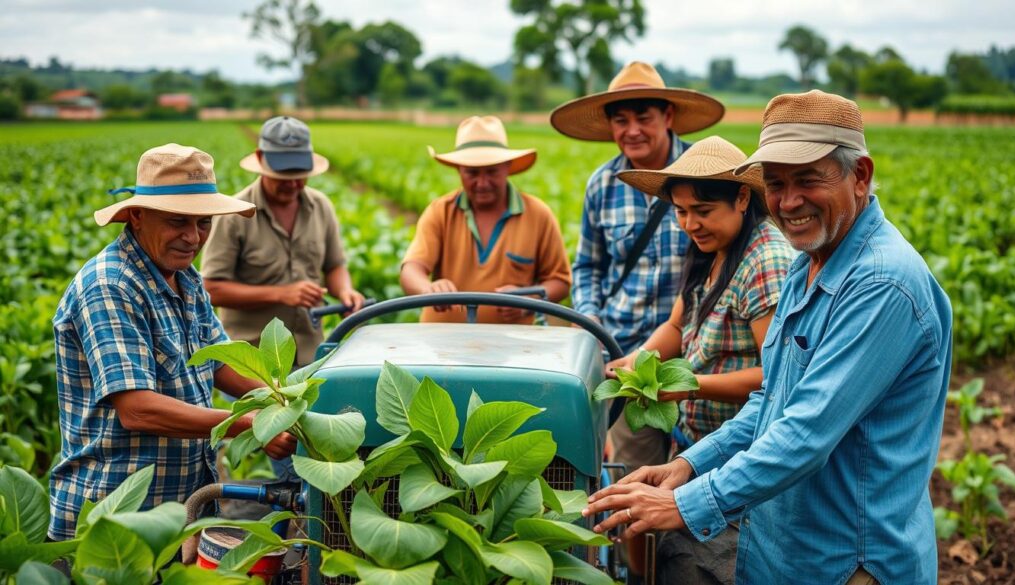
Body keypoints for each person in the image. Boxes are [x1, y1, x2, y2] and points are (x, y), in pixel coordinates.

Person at [583, 91, 953, 585]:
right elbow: (772, 399)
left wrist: (686, 502)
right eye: (775, 184)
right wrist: (689, 465)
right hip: (786, 548)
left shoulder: (881, 282)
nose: (789, 201)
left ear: (859, 176)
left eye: (808, 180)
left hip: (847, 559)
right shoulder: (808, 266)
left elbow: (806, 433)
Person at [50, 144, 297, 541]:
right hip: (116, 516)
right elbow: (138, 410)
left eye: (203, 223)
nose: (193, 237)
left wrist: (285, 400)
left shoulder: (184, 277)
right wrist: (247, 424)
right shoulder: (111, 285)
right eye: (177, 221)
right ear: (137, 216)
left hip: (182, 507)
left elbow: (218, 363)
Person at [552, 59, 725, 581]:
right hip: (631, 362)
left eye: (643, 116)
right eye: (619, 119)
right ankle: (644, 576)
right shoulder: (601, 184)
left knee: (708, 482)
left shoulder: (703, 175)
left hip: (701, 356)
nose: (631, 130)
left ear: (668, 115)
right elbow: (588, 266)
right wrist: (597, 335)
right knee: (636, 488)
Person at [607, 136, 795, 583]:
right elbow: (677, 326)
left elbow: (778, 376)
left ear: (742, 198)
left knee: (712, 564)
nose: (690, 223)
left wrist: (690, 385)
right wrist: (635, 363)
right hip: (695, 445)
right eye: (681, 211)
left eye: (703, 211)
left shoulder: (766, 260)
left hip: (738, 459)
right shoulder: (711, 249)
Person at [201, 116, 364, 368]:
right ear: (261, 159)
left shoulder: (321, 206)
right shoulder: (235, 214)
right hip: (253, 363)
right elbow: (211, 288)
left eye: (301, 176)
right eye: (284, 175)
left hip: (310, 353)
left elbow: (334, 266)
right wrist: (281, 294)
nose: (293, 184)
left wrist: (345, 291)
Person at [399, 115, 570, 323]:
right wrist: (429, 290)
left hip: (512, 348)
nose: (482, 183)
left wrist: (528, 301)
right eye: (472, 173)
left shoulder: (538, 214)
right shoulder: (440, 212)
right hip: (439, 345)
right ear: (458, 170)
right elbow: (411, 270)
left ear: (507, 167)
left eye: (492, 172)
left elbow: (560, 281)